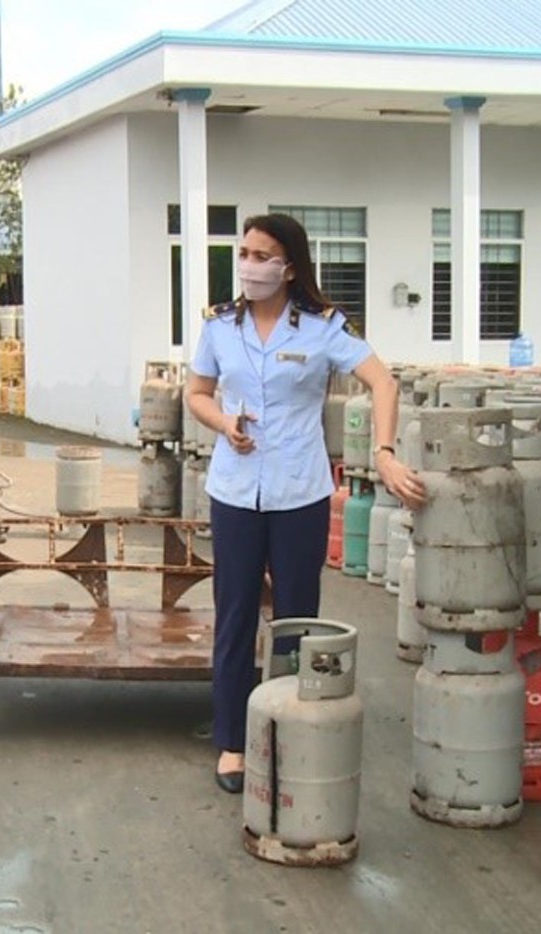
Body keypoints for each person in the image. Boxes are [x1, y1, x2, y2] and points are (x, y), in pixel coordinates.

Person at [185, 213, 425, 794]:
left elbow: (383, 383)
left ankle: (290, 733)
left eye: (261, 256)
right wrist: (223, 423)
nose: (248, 265)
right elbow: (196, 392)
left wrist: (385, 453)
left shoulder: (322, 326)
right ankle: (233, 743)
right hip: (236, 492)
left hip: (300, 494)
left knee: (296, 617)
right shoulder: (220, 326)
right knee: (235, 615)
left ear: (288, 267)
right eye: (243, 253)